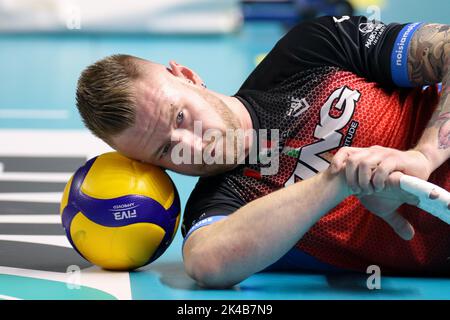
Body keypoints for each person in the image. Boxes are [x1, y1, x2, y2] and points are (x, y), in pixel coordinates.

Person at [75, 16, 450, 288]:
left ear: (188, 77)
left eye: (181, 117)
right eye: (166, 150)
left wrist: (423, 156)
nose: (193, 146)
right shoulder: (223, 205)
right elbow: (207, 262)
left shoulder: (310, 52)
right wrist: (338, 179)